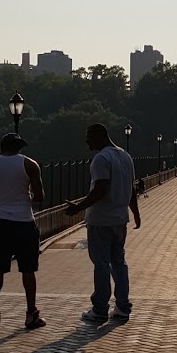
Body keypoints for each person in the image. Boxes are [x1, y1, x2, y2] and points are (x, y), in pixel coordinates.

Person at [66, 123, 140, 324]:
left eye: (89, 136)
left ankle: (99, 309)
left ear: (100, 136)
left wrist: (77, 208)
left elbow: (100, 189)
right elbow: (131, 188)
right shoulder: (125, 156)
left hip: (100, 220)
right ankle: (123, 307)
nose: (87, 141)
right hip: (119, 219)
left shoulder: (101, 159)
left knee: (101, 264)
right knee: (119, 263)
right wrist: (136, 212)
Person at [0, 133, 46, 330]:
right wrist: (24, 197)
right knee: (28, 270)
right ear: (18, 148)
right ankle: (31, 314)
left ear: (2, 147)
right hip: (24, 222)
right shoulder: (30, 164)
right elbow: (40, 196)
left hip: (1, 222)